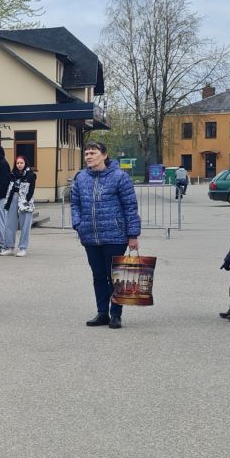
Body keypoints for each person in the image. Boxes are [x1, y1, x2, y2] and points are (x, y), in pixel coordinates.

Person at [69, 141, 141, 330]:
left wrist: (133, 235)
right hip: (90, 236)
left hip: (115, 235)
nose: (89, 156)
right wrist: (78, 223)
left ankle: (116, 314)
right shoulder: (81, 178)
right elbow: (74, 203)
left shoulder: (120, 177)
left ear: (104, 155)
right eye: (86, 154)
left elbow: (130, 207)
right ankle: (102, 312)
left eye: (93, 153)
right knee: (98, 275)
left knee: (116, 276)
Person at [2, 155, 37, 257]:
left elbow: (31, 190)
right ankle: (9, 247)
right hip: (12, 199)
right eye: (17, 163)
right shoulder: (12, 174)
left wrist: (26, 200)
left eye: (21, 163)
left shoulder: (30, 175)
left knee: (25, 226)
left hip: (25, 201)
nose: (19, 165)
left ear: (25, 163)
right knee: (9, 224)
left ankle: (23, 248)